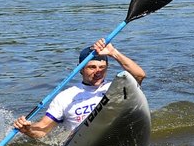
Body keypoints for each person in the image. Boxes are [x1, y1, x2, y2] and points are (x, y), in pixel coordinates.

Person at [12, 39, 145, 139]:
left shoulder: (116, 88)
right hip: (80, 140)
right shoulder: (65, 97)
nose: (98, 71)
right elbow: (42, 130)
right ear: (81, 69)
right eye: (92, 67)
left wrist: (113, 53)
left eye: (102, 67)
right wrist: (28, 129)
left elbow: (140, 75)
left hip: (113, 133)